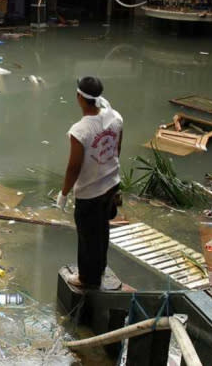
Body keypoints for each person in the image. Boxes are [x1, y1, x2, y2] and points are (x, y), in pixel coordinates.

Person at [56, 76, 123, 289]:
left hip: (90, 192)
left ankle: (86, 279)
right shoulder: (115, 118)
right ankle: (100, 268)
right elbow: (116, 150)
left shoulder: (80, 130)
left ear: (79, 97)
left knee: (87, 237)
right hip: (111, 184)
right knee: (102, 230)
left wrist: (64, 193)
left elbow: (74, 167)